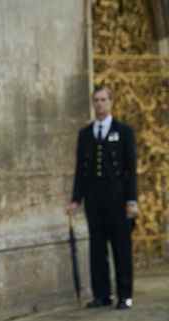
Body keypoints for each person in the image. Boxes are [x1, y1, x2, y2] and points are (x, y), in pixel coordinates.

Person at [67, 85, 138, 310]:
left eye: (104, 100)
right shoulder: (85, 134)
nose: (99, 104)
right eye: (96, 100)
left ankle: (125, 295)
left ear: (111, 102)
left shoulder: (124, 131)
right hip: (94, 201)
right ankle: (102, 295)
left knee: (121, 249)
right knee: (97, 249)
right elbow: (81, 170)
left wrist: (132, 200)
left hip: (118, 201)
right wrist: (76, 199)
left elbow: (130, 170)